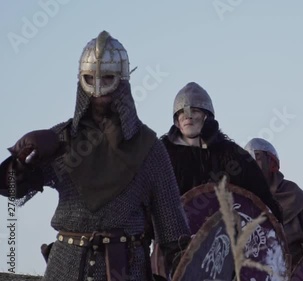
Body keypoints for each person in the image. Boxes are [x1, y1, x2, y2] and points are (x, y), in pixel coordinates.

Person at [0, 31, 191, 281]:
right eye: (91, 79)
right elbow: (11, 190)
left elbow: (173, 235)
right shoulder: (62, 139)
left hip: (125, 269)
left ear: (123, 80)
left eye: (108, 78)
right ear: (81, 81)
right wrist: (21, 162)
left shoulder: (150, 148)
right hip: (65, 267)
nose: (99, 89)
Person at [150, 81, 283, 278]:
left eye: (194, 110)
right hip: (173, 253)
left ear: (206, 116)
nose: (187, 115)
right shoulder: (161, 157)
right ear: (176, 120)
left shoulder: (233, 156)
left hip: (225, 258)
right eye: (181, 112)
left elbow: (264, 207)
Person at [244, 137, 303, 268]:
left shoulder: (293, 195)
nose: (252, 165)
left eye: (257, 158)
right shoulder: (242, 199)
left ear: (271, 163)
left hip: (293, 272)